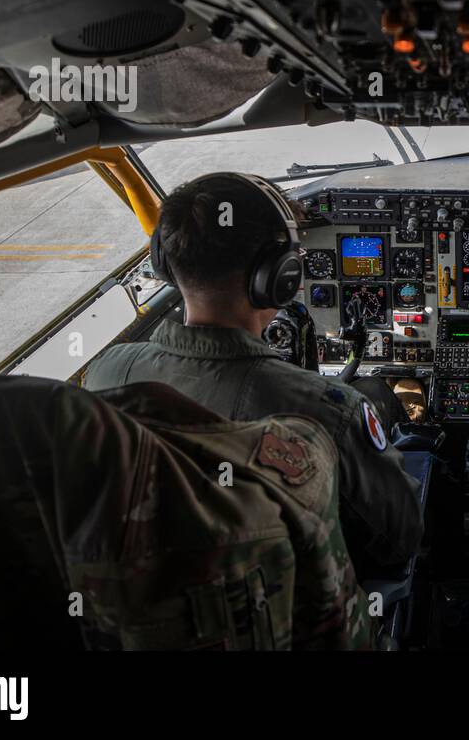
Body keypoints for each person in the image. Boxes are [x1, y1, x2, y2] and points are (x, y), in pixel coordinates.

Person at [83, 172, 423, 574]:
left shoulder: (106, 372)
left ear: (166, 263)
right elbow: (400, 540)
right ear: (279, 277)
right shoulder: (329, 413)